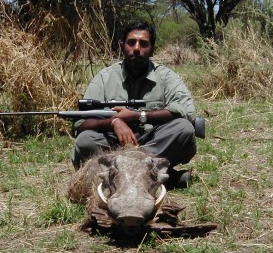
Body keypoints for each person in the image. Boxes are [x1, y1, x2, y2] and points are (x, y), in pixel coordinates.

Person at [71, 21, 196, 188]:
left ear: (152, 49)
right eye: (131, 42)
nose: (136, 48)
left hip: (153, 141)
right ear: (122, 46)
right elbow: (81, 125)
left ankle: (122, 177)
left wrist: (139, 116)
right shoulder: (104, 78)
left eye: (143, 43)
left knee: (184, 130)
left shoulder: (167, 77)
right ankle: (163, 177)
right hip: (114, 144)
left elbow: (187, 112)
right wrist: (113, 122)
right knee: (85, 141)